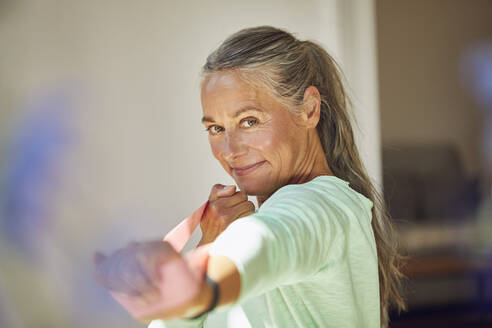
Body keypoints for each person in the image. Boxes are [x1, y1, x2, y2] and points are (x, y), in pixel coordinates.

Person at [98, 26, 407, 328]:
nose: (230, 150)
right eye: (216, 128)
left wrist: (193, 284)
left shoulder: (317, 206)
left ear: (309, 110)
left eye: (249, 121)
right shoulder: (271, 217)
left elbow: (266, 244)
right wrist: (209, 245)